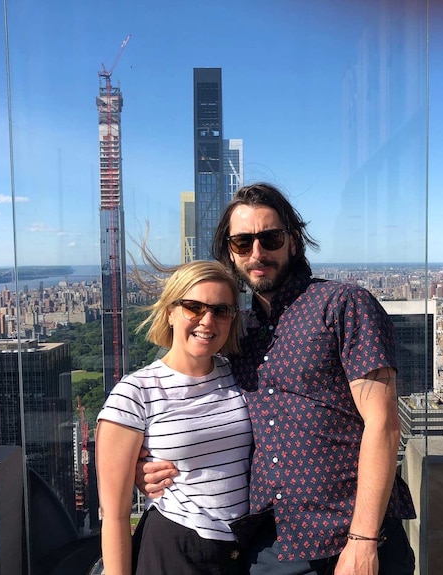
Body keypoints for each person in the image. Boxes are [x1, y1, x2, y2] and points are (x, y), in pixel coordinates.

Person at [139, 183, 416, 575]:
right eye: (242, 242)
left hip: (351, 536)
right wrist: (146, 464)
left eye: (269, 238)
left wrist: (364, 540)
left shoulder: (343, 305)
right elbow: (198, 405)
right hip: (274, 543)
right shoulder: (237, 332)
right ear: (230, 253)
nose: (257, 253)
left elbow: (384, 424)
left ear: (293, 241)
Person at [96, 260, 253, 575]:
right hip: (175, 546)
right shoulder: (135, 393)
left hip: (242, 550)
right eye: (194, 307)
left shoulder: (239, 375)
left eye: (221, 311)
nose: (207, 321)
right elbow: (114, 515)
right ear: (170, 311)